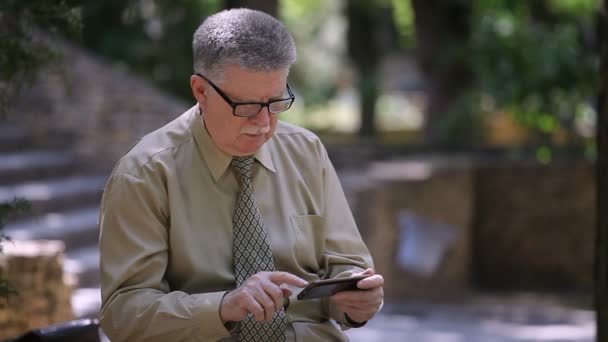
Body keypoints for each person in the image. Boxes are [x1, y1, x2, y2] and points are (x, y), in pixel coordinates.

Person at [99, 8, 383, 342]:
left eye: (276, 102)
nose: (263, 123)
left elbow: (346, 265)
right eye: (246, 107)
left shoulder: (306, 152)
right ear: (201, 92)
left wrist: (357, 300)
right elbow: (122, 314)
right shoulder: (144, 173)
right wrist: (223, 307)